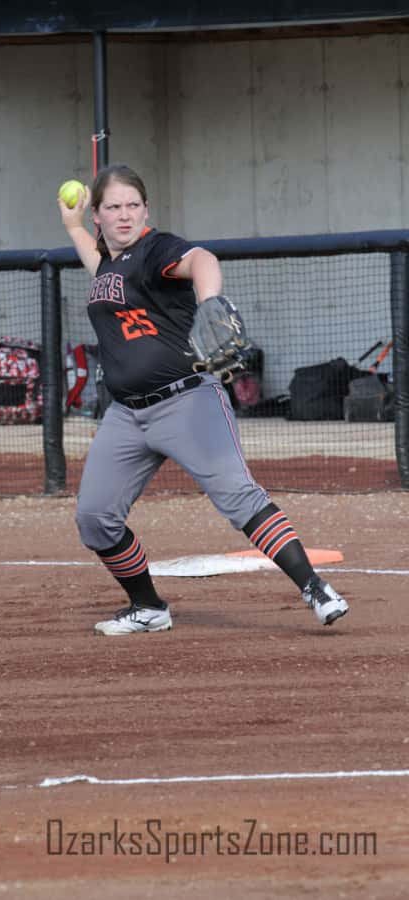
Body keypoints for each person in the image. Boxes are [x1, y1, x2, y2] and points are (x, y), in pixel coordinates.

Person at [58, 164, 349, 635]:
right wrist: (71, 225)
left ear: (146, 209)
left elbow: (202, 260)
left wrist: (210, 301)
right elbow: (98, 264)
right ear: (99, 216)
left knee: (238, 499)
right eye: (113, 207)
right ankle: (149, 606)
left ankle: (315, 587)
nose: (125, 215)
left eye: (133, 204)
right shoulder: (108, 267)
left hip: (187, 400)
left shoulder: (156, 249)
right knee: (94, 518)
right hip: (127, 415)